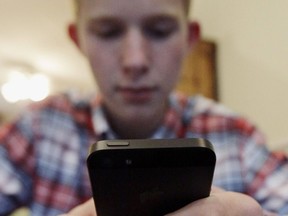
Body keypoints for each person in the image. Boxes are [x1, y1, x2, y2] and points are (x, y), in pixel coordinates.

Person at [0, 0, 287, 215]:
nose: (135, 60)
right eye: (108, 31)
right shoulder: (39, 126)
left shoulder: (237, 135)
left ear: (189, 37)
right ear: (79, 40)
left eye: (160, 31)